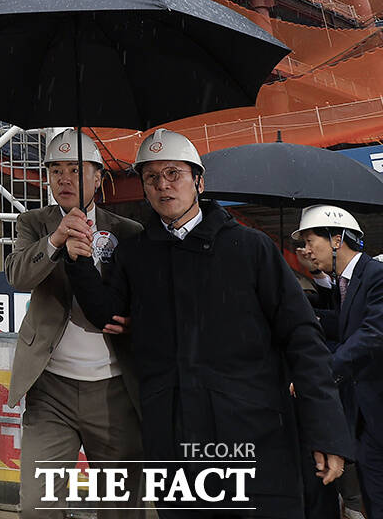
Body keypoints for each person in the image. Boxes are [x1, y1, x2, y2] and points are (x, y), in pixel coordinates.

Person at [65, 128, 353, 519]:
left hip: (252, 433)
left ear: (198, 181)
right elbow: (107, 315)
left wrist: (325, 431)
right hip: (174, 435)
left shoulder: (250, 248)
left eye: (174, 174)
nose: (163, 186)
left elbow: (302, 337)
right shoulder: (137, 253)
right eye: (152, 178)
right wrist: (79, 262)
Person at [5, 129, 143, 519]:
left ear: (98, 177)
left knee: (120, 511)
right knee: (37, 507)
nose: (64, 179)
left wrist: (138, 323)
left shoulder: (129, 231)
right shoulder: (33, 223)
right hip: (51, 391)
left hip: (115, 391)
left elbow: (146, 298)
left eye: (76, 169)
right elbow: (17, 275)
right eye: (56, 170)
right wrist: (54, 242)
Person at [294, 204, 383, 519]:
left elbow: (372, 335)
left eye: (309, 241)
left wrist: (317, 374)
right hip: (374, 428)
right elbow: (346, 326)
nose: (305, 251)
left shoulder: (380, 277)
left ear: (336, 239)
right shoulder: (349, 283)